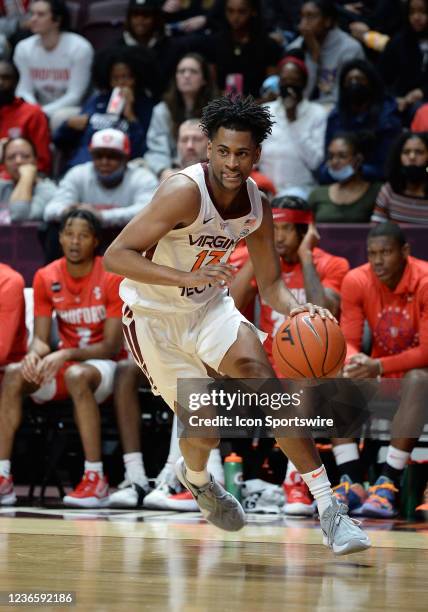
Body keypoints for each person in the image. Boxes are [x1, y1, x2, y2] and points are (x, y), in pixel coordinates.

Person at [104, 95, 370, 554]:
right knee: (204, 430)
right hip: (153, 320)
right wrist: (185, 276)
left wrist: (300, 312)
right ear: (208, 149)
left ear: (256, 155)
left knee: (267, 385)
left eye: (242, 153)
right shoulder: (182, 191)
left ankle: (331, 511)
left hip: (210, 309)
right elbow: (115, 257)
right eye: (224, 151)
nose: (232, 162)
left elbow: (271, 286)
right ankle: (198, 480)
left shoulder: (256, 204)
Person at [230, 195, 349, 515]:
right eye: (273, 229)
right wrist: (259, 253)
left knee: (305, 378)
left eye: (284, 230)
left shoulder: (332, 264)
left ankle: (296, 481)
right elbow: (233, 302)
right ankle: (203, 475)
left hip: (309, 365)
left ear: (303, 230)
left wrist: (307, 256)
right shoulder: (265, 260)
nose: (277, 236)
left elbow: (325, 311)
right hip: (265, 364)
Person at [0, 209, 124, 507]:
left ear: (95, 241)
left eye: (83, 236)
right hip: (66, 363)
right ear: (59, 238)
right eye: (69, 234)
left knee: (76, 375)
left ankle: (96, 479)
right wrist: (33, 354)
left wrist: (65, 352)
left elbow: (110, 346)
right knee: (15, 373)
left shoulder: (111, 274)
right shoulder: (46, 276)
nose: (74, 242)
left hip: (104, 367)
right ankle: (3, 476)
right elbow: (42, 338)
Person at [336, 222, 428, 517]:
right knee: (333, 374)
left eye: (386, 252)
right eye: (372, 253)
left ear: (405, 252)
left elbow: (426, 352)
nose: (377, 260)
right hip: (382, 378)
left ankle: (389, 481)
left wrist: (377, 365)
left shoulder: (425, 280)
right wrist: (355, 362)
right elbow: (347, 342)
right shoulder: (356, 280)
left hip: (419, 381)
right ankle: (351, 480)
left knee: (418, 379)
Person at [53, 46, 157, 171]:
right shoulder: (97, 101)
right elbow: (60, 141)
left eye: (126, 77)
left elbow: (140, 151)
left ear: (137, 78)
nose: (121, 83)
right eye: (115, 78)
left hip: (119, 171)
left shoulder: (145, 106)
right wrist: (68, 126)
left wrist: (130, 116)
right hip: (82, 168)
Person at [44, 128, 158, 228]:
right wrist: (68, 212)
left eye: (112, 156)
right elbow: (50, 210)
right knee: (56, 228)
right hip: (87, 240)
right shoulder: (78, 173)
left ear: (126, 158)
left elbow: (148, 212)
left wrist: (101, 216)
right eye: (98, 156)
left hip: (127, 240)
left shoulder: (142, 178)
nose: (104, 162)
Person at [13, 0, 94, 130]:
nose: (33, 19)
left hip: (73, 108)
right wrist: (33, 109)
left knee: (59, 117)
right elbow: (24, 89)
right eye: (32, 14)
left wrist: (41, 112)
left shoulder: (80, 47)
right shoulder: (24, 48)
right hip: (38, 107)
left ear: (57, 20)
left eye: (40, 15)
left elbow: (75, 95)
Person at [319, 59, 402, 183]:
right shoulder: (336, 117)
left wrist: (356, 170)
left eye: (359, 80)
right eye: (349, 81)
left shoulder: (388, 117)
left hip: (375, 181)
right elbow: (328, 159)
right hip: (338, 180)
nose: (354, 84)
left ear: (370, 84)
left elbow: (389, 167)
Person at [258, 54, 327, 196]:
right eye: (284, 81)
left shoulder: (317, 113)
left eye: (294, 81)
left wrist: (294, 120)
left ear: (304, 83)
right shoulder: (266, 111)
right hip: (265, 188)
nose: (289, 85)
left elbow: (315, 161)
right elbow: (254, 155)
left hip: (300, 190)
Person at [185, 0, 283, 97]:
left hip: (258, 106)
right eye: (230, 11)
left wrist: (251, 104)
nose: (235, 17)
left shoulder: (268, 45)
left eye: (241, 11)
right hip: (221, 105)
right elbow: (211, 85)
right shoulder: (214, 43)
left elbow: (271, 91)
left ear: (253, 12)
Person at [144, 52, 217, 177]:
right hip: (172, 169)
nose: (186, 75)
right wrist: (164, 171)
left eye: (193, 71)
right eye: (181, 71)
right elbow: (156, 150)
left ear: (204, 79)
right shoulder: (162, 111)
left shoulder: (218, 109)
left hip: (210, 169)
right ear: (176, 77)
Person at [287, 0, 364, 106]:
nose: (303, 24)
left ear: (328, 20)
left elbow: (344, 99)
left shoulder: (350, 49)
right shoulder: (294, 49)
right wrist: (313, 58)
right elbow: (297, 98)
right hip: (303, 112)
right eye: (302, 17)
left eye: (311, 17)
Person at [309, 133, 381, 222]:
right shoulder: (317, 194)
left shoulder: (378, 193)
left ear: (358, 159)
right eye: (331, 156)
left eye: (342, 156)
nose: (334, 161)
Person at [378, 0, 428, 122]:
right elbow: (382, 78)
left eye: (422, 12)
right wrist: (395, 99)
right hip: (400, 98)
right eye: (412, 12)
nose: (416, 17)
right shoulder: (398, 42)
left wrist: (422, 92)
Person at [0, 59, 50, 174]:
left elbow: (42, 162)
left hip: (19, 179)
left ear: (16, 82)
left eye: (6, 78)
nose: (0, 82)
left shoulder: (32, 113)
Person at [371, 132, 428, 225]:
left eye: (419, 152)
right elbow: (376, 230)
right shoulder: (389, 190)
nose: (412, 157)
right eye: (406, 152)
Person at [0, 136, 56, 223]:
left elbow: (19, 216)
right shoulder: (3, 186)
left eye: (25, 156)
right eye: (11, 157)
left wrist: (26, 177)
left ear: (35, 161)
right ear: (4, 164)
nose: (18, 161)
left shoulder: (48, 190)